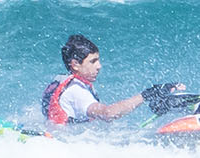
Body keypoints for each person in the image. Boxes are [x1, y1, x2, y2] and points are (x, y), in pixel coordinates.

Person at [42, 34, 191, 126]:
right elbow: (108, 113)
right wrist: (147, 95)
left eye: (98, 60)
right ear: (75, 65)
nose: (99, 66)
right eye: (92, 62)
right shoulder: (77, 91)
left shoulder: (63, 82)